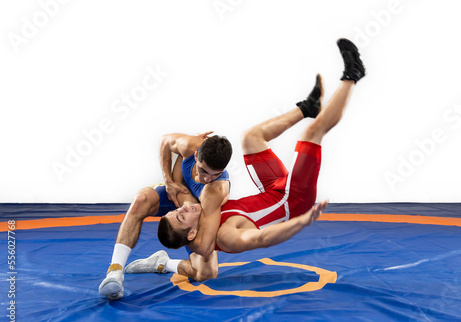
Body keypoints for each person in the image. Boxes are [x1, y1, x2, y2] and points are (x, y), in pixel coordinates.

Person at [125, 38, 365, 282]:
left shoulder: (204, 212)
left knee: (250, 138)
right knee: (312, 134)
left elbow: (182, 185)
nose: (184, 206)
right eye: (181, 215)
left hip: (271, 189)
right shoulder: (224, 236)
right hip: (293, 200)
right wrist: (301, 222)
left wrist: (170, 180)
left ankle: (307, 107)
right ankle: (353, 75)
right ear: (192, 232)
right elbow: (262, 239)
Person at [98, 131, 232, 300]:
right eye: (203, 171)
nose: (206, 179)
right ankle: (114, 272)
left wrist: (178, 186)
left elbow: (203, 241)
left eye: (215, 174)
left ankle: (162, 263)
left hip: (193, 216)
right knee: (141, 200)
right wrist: (169, 182)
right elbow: (164, 142)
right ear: (197, 155)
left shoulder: (216, 191)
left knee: (206, 273)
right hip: (178, 200)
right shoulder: (190, 145)